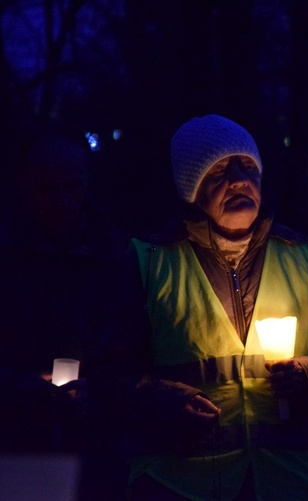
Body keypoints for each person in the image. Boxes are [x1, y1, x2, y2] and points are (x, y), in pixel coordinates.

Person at [122, 114, 308, 500]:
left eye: (248, 167)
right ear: (190, 188)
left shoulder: (305, 257)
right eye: (218, 172)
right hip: (181, 483)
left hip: (295, 482)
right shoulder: (150, 262)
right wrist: (167, 402)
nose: (239, 180)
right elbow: (111, 374)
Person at [0, 127, 150, 499]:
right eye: (49, 188)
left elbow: (136, 348)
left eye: (74, 185)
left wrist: (96, 392)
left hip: (96, 449)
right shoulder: (8, 256)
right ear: (26, 184)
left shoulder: (116, 256)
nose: (64, 199)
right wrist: (18, 387)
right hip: (13, 442)